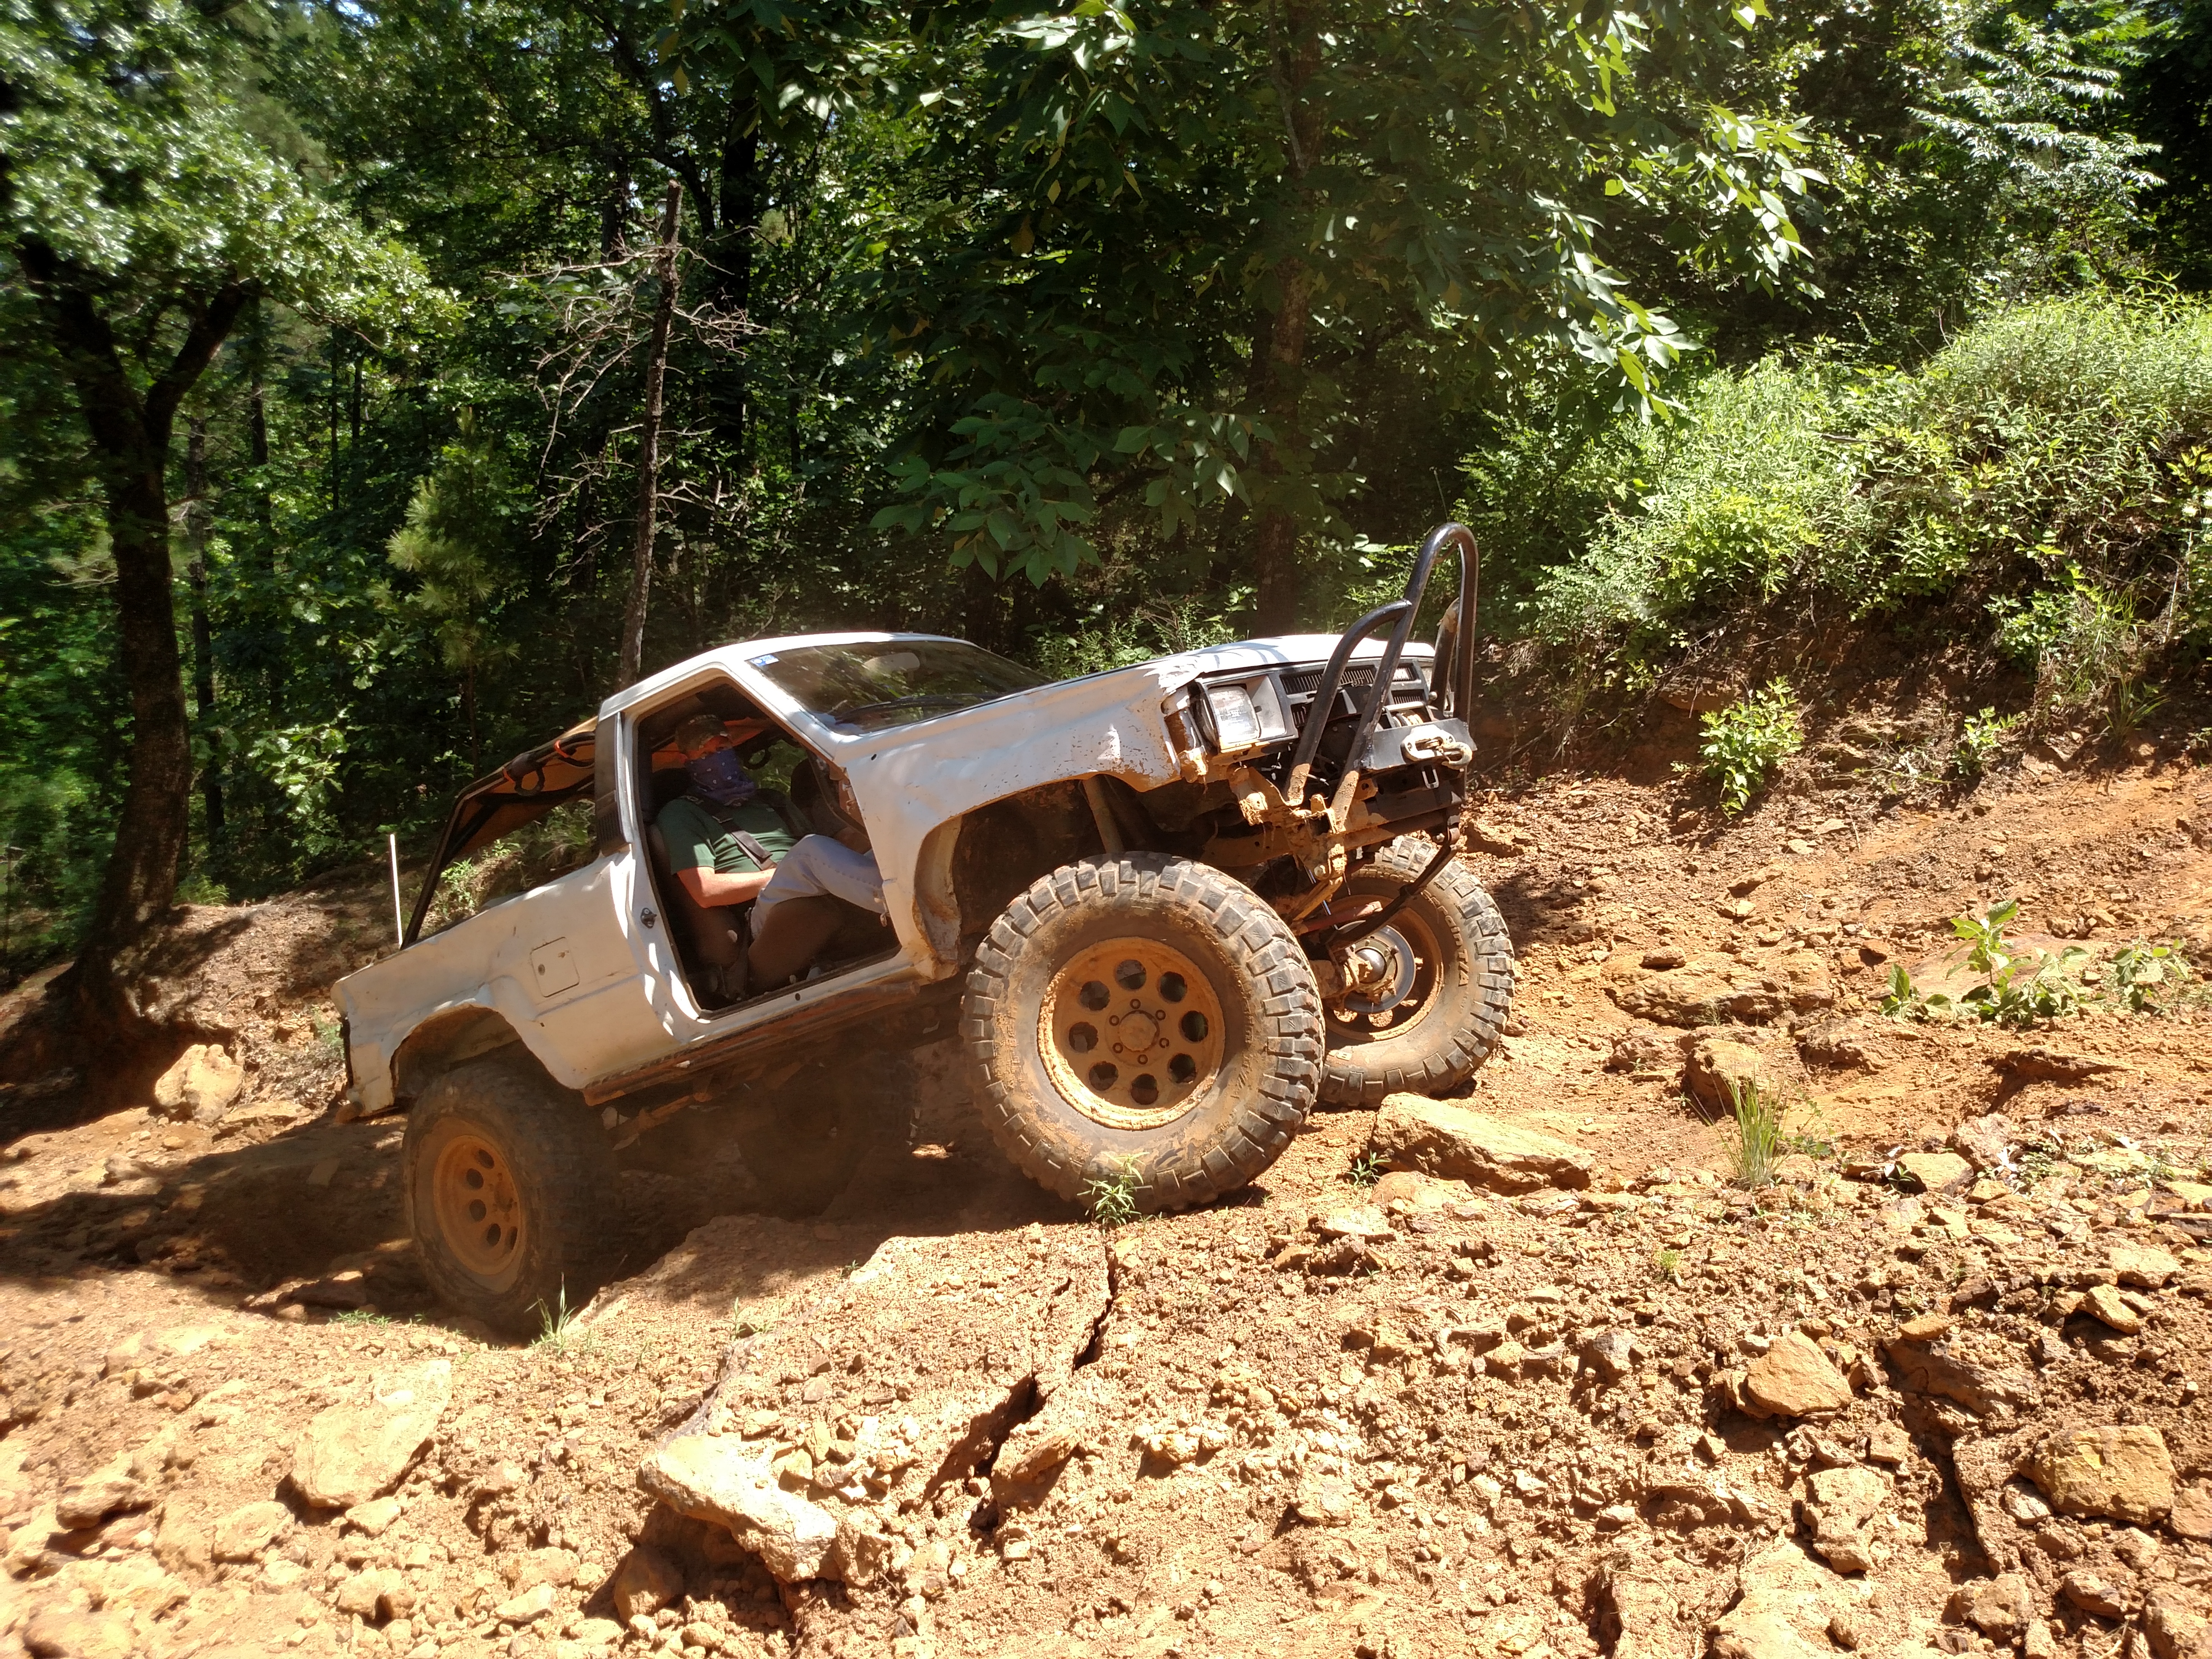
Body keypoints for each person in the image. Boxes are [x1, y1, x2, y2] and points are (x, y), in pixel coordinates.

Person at [656, 714, 886, 1000]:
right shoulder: (681, 814)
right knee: (810, 853)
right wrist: (777, 874)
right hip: (762, 911)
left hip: (808, 875)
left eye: (722, 749)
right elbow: (705, 891)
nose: (716, 759)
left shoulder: (768, 799)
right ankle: (903, 903)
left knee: (878, 842)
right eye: (705, 753)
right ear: (686, 761)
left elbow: (828, 847)